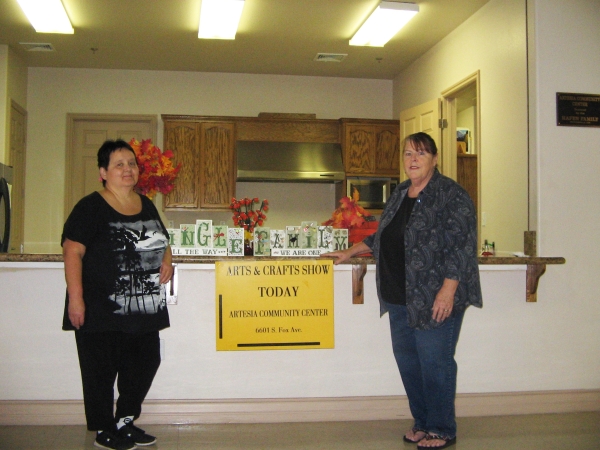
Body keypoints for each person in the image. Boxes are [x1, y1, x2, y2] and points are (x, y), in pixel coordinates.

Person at [325, 132, 482, 449]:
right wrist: (350, 251)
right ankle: (422, 422)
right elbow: (382, 235)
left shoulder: (451, 194)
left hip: (434, 295)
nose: (413, 159)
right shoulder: (399, 193)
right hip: (398, 296)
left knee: (435, 363)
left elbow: (462, 246)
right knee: (410, 364)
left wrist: (448, 290)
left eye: (421, 153)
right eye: (408, 153)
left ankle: (441, 428)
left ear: (434, 159)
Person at [62, 139, 173, 450]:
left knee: (145, 362)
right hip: (101, 307)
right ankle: (103, 428)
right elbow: (72, 251)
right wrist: (76, 298)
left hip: (144, 307)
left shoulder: (146, 203)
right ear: (103, 172)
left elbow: (163, 240)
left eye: (131, 164)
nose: (128, 169)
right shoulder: (90, 207)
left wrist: (167, 260)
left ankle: (125, 419)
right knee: (100, 370)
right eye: (119, 164)